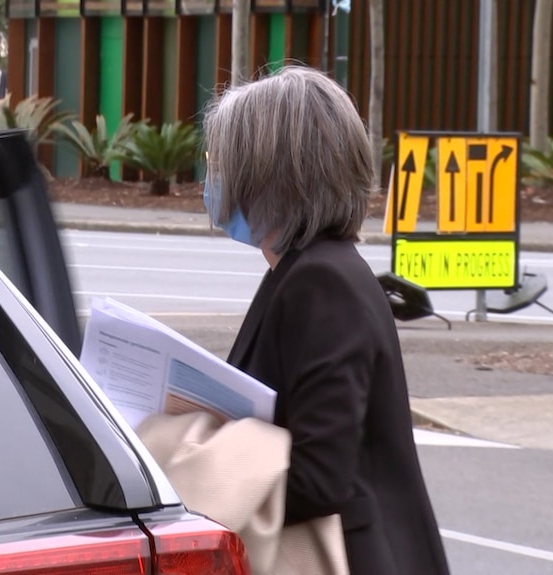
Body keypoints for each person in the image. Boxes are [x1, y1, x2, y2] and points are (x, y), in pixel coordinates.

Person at [202, 65, 451, 575]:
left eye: (221, 163)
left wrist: (199, 471)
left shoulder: (322, 283)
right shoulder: (305, 271)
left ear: (268, 175)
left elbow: (319, 476)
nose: (213, 179)